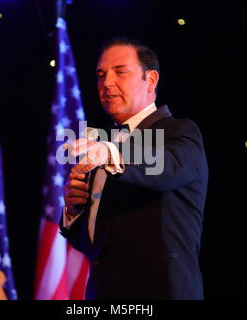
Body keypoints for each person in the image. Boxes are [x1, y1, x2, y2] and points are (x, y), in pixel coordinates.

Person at [60, 37, 209, 299]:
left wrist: (110, 150)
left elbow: (168, 168)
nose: (106, 83)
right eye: (101, 75)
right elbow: (96, 246)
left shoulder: (180, 131)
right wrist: (74, 213)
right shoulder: (105, 145)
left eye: (120, 72)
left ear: (150, 80)